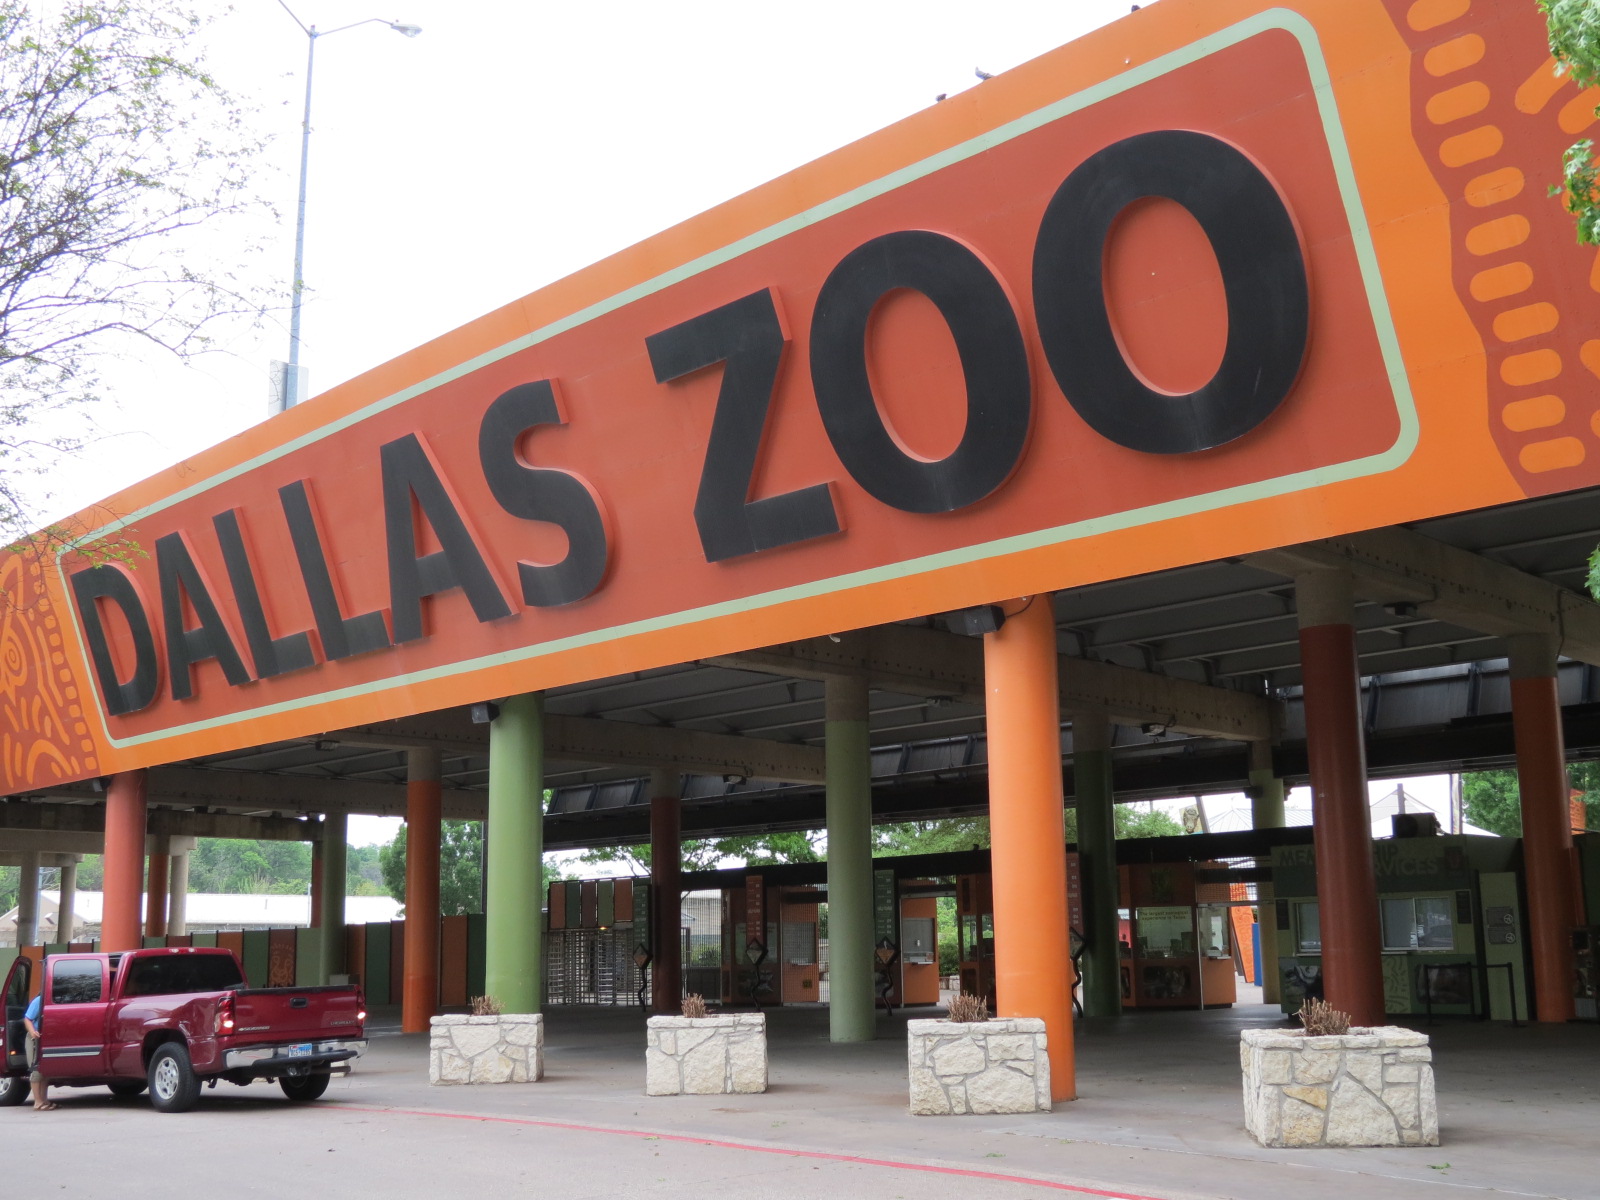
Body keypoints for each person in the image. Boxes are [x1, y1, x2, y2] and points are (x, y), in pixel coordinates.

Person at [22, 992, 55, 1111]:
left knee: (44, 1072)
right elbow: (27, 1019)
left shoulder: (53, 999)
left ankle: (44, 1099)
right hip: (33, 1039)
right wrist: (32, 1032)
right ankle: (37, 1101)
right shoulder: (39, 1000)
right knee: (36, 1070)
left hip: (43, 1039)